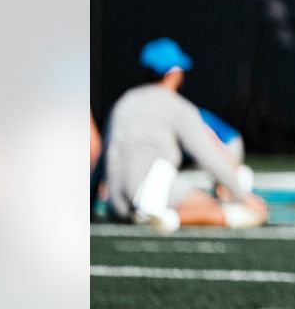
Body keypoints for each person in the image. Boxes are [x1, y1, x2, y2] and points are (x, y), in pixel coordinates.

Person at [103, 38, 267, 232]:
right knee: (228, 212)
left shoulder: (123, 103)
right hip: (150, 194)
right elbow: (209, 155)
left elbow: (103, 157)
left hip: (114, 204)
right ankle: (169, 218)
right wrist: (243, 196)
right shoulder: (177, 107)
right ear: (174, 73)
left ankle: (156, 214)